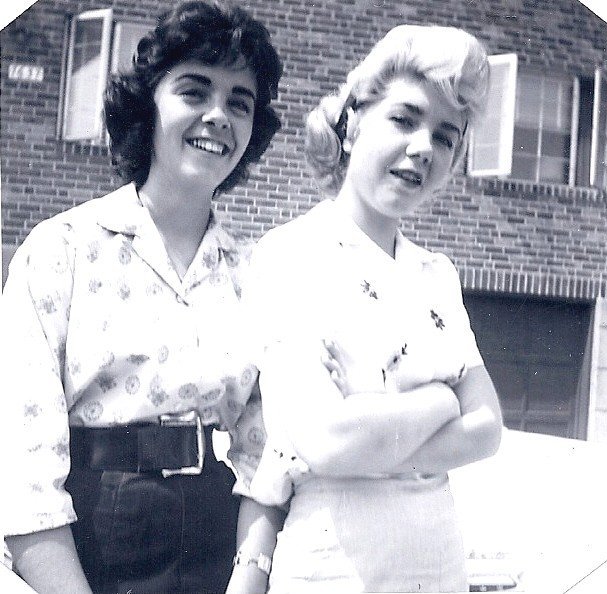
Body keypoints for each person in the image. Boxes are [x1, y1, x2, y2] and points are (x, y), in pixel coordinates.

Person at [2, 2, 282, 593]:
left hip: (216, 541)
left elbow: (268, 452)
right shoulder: (62, 250)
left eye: (240, 102)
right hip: (92, 540)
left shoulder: (257, 277)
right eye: (194, 91)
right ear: (146, 106)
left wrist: (249, 578)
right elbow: (22, 471)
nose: (218, 116)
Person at [231, 24, 503, 593]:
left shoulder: (437, 275)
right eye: (404, 119)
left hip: (438, 568)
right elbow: (324, 441)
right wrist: (440, 400)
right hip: (333, 567)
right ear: (353, 124)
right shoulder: (290, 256)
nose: (424, 147)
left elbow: (486, 429)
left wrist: (368, 433)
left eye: (445, 136)